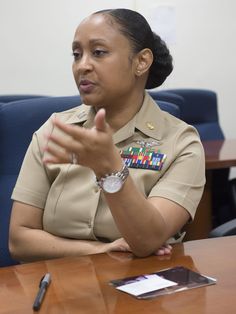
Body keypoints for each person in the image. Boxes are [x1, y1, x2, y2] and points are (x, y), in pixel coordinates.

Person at [9, 8, 205, 263]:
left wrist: (110, 169)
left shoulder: (182, 143)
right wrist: (99, 250)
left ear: (141, 62)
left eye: (98, 52)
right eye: (77, 54)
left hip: (140, 286)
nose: (82, 66)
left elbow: (147, 240)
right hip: (59, 289)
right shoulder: (56, 130)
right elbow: (19, 239)